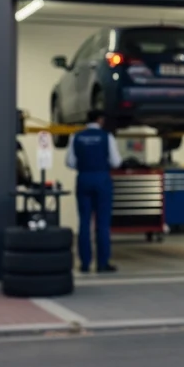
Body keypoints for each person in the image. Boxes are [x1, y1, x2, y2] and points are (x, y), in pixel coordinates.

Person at [66, 108, 123, 273]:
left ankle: (84, 264)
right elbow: (116, 162)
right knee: (103, 223)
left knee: (84, 223)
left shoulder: (75, 136)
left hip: (83, 178)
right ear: (100, 120)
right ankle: (102, 263)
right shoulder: (107, 137)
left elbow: (69, 162)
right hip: (102, 179)